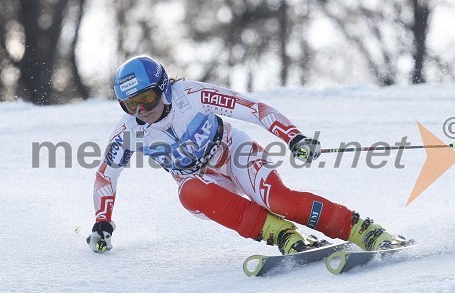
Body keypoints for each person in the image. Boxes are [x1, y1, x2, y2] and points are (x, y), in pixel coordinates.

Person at [87, 55, 410, 254]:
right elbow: (106, 174)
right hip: (203, 182)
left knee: (279, 201)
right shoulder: (130, 130)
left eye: (146, 98)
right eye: (131, 104)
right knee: (188, 193)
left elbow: (253, 109)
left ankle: (361, 229)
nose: (141, 110)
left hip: (233, 153)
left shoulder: (191, 95)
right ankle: (281, 234)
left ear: (164, 88)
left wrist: (292, 137)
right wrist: (103, 222)